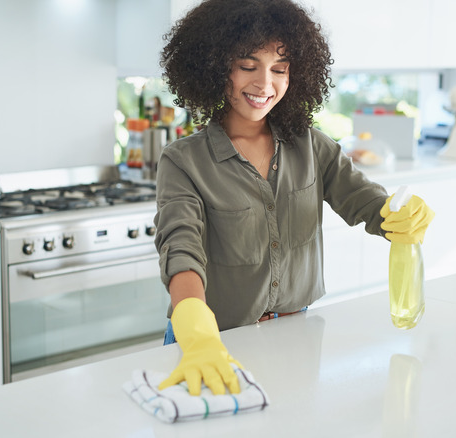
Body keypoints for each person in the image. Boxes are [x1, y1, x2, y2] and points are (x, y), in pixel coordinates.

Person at [153, 0, 434, 396]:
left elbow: (368, 204)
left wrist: (399, 213)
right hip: (212, 343)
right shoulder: (184, 161)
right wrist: (196, 331)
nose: (264, 84)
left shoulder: (311, 146)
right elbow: (181, 249)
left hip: (295, 334)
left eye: (279, 69)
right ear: (215, 67)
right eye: (248, 66)